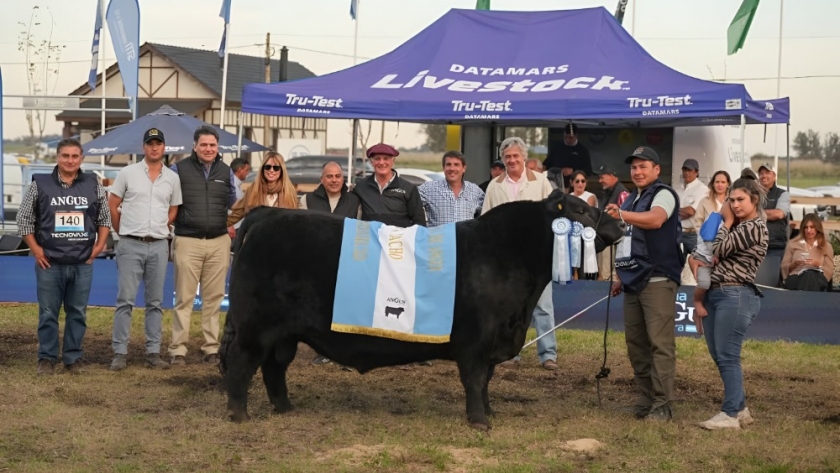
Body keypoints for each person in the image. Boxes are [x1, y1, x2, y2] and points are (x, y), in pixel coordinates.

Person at [16, 138, 111, 375]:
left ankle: (73, 358)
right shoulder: (40, 184)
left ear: (81, 159)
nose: (70, 161)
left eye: (75, 156)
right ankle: (46, 358)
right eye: (65, 156)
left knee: (77, 312)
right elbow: (23, 219)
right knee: (48, 312)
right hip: (50, 262)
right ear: (57, 157)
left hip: (82, 262)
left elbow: (104, 219)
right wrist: (36, 250)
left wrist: (99, 246)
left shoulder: (94, 184)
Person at [605, 146, 683, 421]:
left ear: (657, 169)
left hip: (659, 278)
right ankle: (647, 397)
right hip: (633, 281)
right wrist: (619, 276)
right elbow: (627, 242)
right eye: (634, 167)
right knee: (635, 344)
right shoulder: (630, 200)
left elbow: (656, 219)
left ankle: (663, 404)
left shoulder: (664, 194)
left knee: (659, 344)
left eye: (643, 166)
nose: (637, 172)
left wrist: (622, 216)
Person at [694, 177, 768, 430]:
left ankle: (730, 414)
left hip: (736, 294)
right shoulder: (740, 226)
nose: (734, 205)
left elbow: (719, 248)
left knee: (727, 355)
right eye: (731, 200)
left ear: (754, 201)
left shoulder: (755, 227)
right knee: (720, 355)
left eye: (740, 200)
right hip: (718, 293)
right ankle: (740, 408)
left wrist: (725, 221)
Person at [108, 128, 182, 371]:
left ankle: (153, 352)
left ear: (164, 147)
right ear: (143, 147)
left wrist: (164, 225)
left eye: (158, 143)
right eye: (150, 143)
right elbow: (113, 204)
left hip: (159, 245)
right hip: (130, 243)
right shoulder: (127, 173)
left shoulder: (172, 178)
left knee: (156, 302)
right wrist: (122, 233)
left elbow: (174, 208)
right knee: (125, 301)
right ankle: (120, 352)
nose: (154, 147)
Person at [482, 137, 558, 371]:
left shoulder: (541, 182)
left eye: (516, 156)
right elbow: (486, 220)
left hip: (536, 254)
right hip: (506, 257)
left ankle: (548, 354)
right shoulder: (495, 185)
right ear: (502, 159)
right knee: (508, 306)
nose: (512, 160)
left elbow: (553, 214)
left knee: (543, 305)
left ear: (524, 157)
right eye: (507, 157)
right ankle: (509, 353)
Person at [168, 126, 238, 366]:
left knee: (214, 298)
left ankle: (211, 348)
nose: (208, 149)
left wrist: (229, 226)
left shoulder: (227, 172)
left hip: (219, 242)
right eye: (204, 145)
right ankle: (178, 349)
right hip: (188, 240)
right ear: (195, 146)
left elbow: (236, 204)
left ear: (218, 148)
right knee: (184, 298)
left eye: (213, 145)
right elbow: (167, 201)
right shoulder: (178, 169)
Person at [300, 161, 361, 366]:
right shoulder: (306, 200)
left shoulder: (355, 201)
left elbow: (361, 231)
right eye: (329, 176)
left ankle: (345, 350)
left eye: (337, 176)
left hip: (346, 262)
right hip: (316, 263)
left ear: (343, 179)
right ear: (322, 179)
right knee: (320, 307)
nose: (334, 180)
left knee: (346, 306)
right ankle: (323, 350)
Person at [687, 170, 731, 317]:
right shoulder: (705, 201)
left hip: (725, 248)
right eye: (717, 182)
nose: (719, 185)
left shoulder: (732, 202)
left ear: (728, 184)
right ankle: (698, 303)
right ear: (712, 184)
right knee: (704, 281)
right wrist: (705, 235)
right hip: (705, 247)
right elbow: (697, 221)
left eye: (723, 182)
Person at [353, 143, 426, 227]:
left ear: (393, 161)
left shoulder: (408, 188)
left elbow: (419, 221)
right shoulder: (361, 187)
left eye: (386, 158)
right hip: (371, 238)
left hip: (398, 239)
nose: (381, 162)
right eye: (377, 159)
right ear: (371, 162)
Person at [227, 151, 298, 227]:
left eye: (276, 168)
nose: (271, 170)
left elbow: (295, 219)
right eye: (268, 167)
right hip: (256, 236)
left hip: (281, 236)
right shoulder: (252, 190)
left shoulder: (290, 192)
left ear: (281, 170)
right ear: (262, 168)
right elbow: (235, 216)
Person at [418, 150, 485, 227]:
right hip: (438, 238)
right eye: (448, 164)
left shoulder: (476, 191)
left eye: (456, 164)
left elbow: (487, 215)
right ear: (443, 168)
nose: (452, 168)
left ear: (464, 168)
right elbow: (409, 201)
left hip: (464, 238)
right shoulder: (428, 189)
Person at [754, 162, 790, 287]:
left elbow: (779, 214)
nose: (764, 176)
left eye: (767, 173)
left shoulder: (782, 194)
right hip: (755, 246)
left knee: (772, 283)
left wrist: (755, 214)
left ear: (774, 176)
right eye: (761, 173)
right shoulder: (753, 194)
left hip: (775, 246)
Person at [780, 214, 835, 291]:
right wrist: (795, 264)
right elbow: (784, 267)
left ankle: (802, 299)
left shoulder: (826, 246)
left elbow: (829, 270)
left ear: (817, 228)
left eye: (812, 227)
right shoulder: (792, 244)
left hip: (817, 278)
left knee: (809, 275)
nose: (809, 230)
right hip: (796, 277)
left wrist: (818, 264)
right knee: (806, 277)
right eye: (806, 227)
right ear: (802, 229)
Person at [594, 164, 628, 281]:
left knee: (610, 275)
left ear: (611, 176)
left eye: (602, 177)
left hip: (616, 241)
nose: (600, 181)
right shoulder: (607, 192)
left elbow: (627, 219)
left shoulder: (622, 193)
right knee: (604, 273)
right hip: (605, 239)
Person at [543, 123, 593, 191]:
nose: (567, 139)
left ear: (576, 135)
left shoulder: (582, 150)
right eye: (565, 137)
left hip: (576, 187)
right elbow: (546, 165)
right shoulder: (557, 148)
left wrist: (573, 170)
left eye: (570, 137)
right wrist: (559, 171)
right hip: (557, 185)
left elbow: (588, 170)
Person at [676, 158, 707, 260]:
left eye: (689, 170)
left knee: (699, 265)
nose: (686, 173)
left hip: (694, 234)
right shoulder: (678, 188)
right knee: (676, 265)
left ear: (696, 172)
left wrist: (674, 212)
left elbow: (690, 211)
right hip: (679, 233)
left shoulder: (702, 189)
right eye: (684, 170)